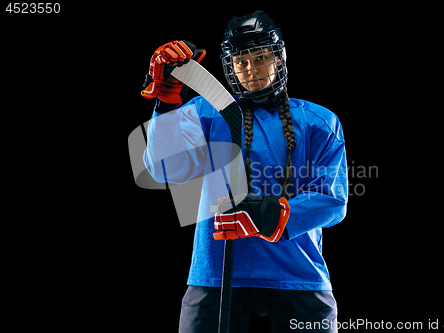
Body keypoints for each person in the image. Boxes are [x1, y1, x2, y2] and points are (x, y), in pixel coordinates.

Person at [142, 11, 347, 333]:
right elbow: (164, 169)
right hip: (216, 271)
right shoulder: (204, 111)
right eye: (242, 62)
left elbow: (331, 199)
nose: (252, 70)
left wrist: (267, 213)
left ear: (278, 60)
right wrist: (167, 104)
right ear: (230, 67)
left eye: (261, 58)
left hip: (297, 273)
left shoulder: (317, 120)